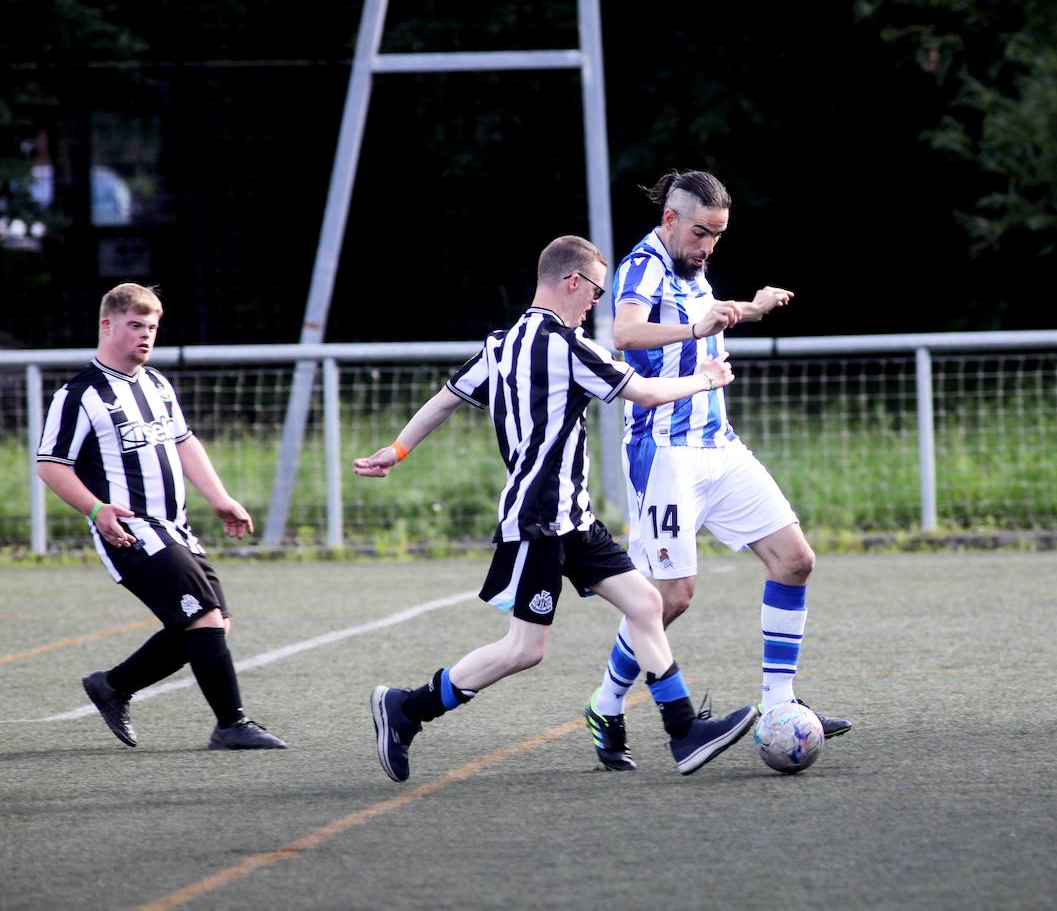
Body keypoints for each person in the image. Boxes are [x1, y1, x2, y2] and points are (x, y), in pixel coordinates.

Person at [355, 235, 758, 782]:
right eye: (596, 291)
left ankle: (683, 731)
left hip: (574, 518)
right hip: (538, 520)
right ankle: (407, 708)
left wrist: (397, 449)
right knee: (524, 649)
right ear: (573, 282)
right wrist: (705, 379)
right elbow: (643, 392)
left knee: (645, 602)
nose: (596, 302)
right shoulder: (569, 347)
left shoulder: (501, 345)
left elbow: (445, 399)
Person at [581, 170, 852, 772]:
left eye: (718, 235)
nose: (708, 245)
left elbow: (705, 321)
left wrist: (751, 309)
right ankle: (606, 704)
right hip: (664, 453)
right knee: (670, 598)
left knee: (795, 560)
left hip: (719, 446)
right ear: (671, 219)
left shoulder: (691, 267)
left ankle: (779, 704)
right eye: (701, 232)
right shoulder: (644, 265)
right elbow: (624, 334)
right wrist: (696, 326)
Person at [36, 283, 285, 750]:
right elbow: (50, 464)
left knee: (212, 624)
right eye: (135, 325)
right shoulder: (80, 395)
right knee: (203, 618)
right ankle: (231, 724)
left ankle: (112, 686)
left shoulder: (155, 384)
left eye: (151, 327)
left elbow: (184, 442)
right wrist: (96, 508)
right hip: (131, 532)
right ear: (107, 325)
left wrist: (219, 497)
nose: (145, 335)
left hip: (175, 528)